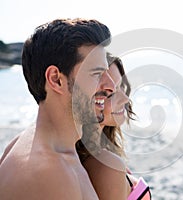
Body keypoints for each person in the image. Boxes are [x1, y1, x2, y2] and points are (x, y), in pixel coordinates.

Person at [0, 18, 115, 199]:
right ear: (56, 79)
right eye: (97, 73)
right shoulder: (52, 175)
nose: (111, 86)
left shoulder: (27, 142)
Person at [76, 53, 152, 200]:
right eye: (112, 92)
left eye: (121, 87)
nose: (125, 98)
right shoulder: (105, 165)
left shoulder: (97, 156)